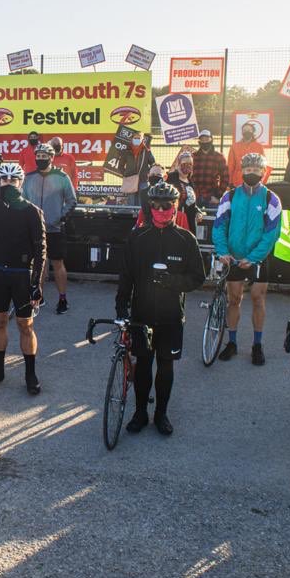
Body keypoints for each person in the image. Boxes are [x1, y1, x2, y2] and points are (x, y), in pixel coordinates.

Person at [116, 181, 205, 435]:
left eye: (168, 205)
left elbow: (198, 276)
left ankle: (161, 414)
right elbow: (126, 277)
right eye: (156, 205)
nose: (162, 209)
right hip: (141, 314)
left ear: (176, 206)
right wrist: (121, 308)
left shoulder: (186, 239)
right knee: (143, 364)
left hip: (171, 316)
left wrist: (172, 282)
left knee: (166, 366)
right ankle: (140, 412)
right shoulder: (137, 237)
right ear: (149, 207)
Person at [0, 162, 47, 394]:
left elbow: (40, 250)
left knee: (25, 325)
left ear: (20, 183)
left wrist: (37, 284)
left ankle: (30, 374)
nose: (8, 184)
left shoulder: (32, 211)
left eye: (13, 181)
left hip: (21, 274)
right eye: (4, 181)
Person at [213, 152, 283, 365]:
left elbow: (272, 233)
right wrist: (223, 251)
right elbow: (219, 225)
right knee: (234, 299)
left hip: (258, 259)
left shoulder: (272, 198)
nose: (251, 173)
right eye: (248, 169)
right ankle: (232, 343)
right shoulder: (230, 196)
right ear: (241, 171)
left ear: (263, 172)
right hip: (233, 257)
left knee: (257, 298)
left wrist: (253, 258)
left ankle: (257, 345)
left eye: (256, 170)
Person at [23, 143, 77, 314]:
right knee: (39, 264)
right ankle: (38, 297)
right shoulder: (29, 177)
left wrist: (60, 217)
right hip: (34, 229)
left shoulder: (62, 177)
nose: (40, 159)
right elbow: (23, 200)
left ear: (51, 158)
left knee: (57, 263)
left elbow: (72, 200)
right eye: (38, 156)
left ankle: (63, 299)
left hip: (54, 228)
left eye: (44, 156)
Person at [191, 129, 228, 206]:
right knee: (193, 217)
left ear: (211, 140)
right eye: (202, 139)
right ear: (199, 141)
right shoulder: (193, 156)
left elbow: (225, 178)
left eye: (207, 139)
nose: (204, 142)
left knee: (213, 218)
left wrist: (218, 196)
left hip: (212, 196)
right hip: (195, 195)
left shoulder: (219, 157)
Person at [165, 152, 200, 231]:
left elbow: (191, 202)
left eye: (190, 164)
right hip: (174, 219)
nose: (187, 166)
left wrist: (197, 211)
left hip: (188, 221)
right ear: (179, 164)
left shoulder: (191, 182)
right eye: (184, 163)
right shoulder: (170, 178)